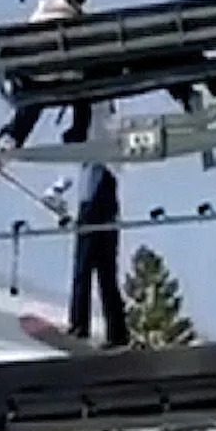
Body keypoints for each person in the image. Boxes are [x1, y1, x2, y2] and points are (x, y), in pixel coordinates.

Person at [40, 101, 131, 350]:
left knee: (85, 268)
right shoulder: (106, 127)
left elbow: (80, 135)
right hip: (104, 202)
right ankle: (117, 333)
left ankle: (80, 326)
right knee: (105, 271)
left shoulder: (96, 118)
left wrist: (57, 197)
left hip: (95, 201)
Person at [0, 0, 93, 153]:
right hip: (69, 78)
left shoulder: (42, 10)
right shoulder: (79, 19)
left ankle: (13, 137)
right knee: (85, 94)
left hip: (37, 76)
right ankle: (78, 133)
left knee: (33, 102)